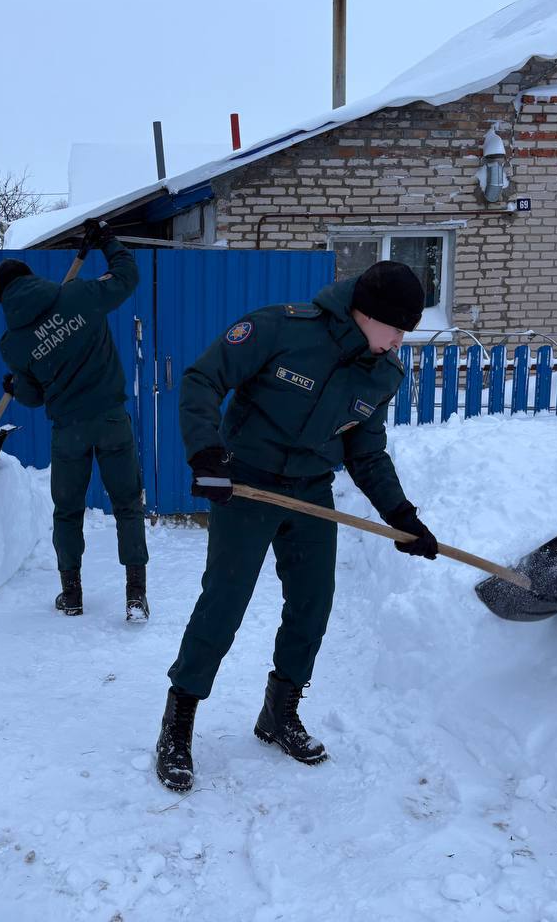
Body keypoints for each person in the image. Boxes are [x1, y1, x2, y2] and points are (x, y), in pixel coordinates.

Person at [154, 261, 439, 791]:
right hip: (246, 485)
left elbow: (366, 452)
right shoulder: (282, 328)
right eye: (396, 329)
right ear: (367, 314)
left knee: (312, 605)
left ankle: (278, 712)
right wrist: (207, 456)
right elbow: (202, 378)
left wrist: (402, 516)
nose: (399, 342)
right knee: (224, 603)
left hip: (312, 493)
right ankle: (178, 724)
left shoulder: (383, 374)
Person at [0, 218, 149, 622]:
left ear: (4, 301)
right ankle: (135, 596)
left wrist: (14, 384)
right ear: (31, 279)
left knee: (68, 511)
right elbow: (128, 276)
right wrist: (109, 242)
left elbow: (33, 396)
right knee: (128, 505)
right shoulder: (79, 296)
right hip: (112, 420)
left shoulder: (14, 344)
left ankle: (72, 594)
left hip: (69, 433)